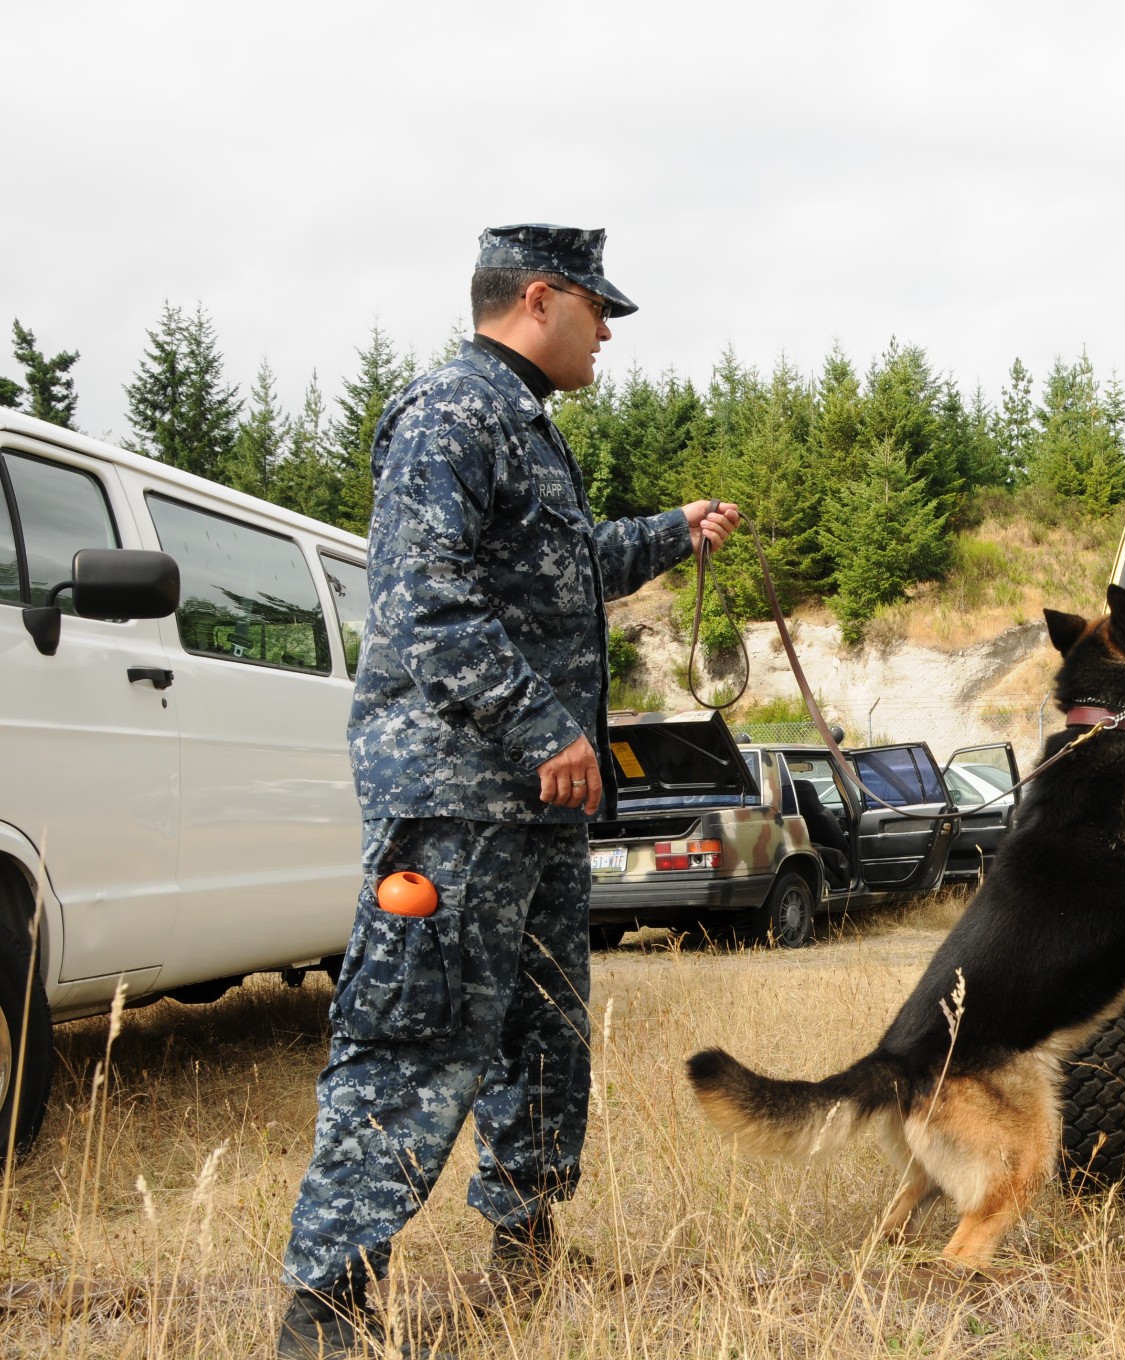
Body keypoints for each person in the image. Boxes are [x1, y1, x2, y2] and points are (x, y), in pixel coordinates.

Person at [275, 224, 740, 1358]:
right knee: (413, 1033)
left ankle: (522, 1242)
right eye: (599, 306)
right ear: (540, 297)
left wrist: (672, 535)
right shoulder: (453, 411)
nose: (611, 328)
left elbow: (561, 564)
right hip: (459, 794)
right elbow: (422, 599)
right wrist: (541, 724)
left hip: (528, 805)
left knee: (542, 1031)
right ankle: (327, 1303)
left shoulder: (518, 423)